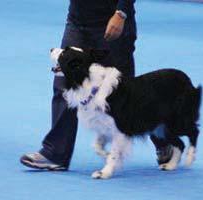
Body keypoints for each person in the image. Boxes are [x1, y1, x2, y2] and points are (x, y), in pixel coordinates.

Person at [20, 0, 173, 171]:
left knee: (127, 95)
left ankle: (164, 139)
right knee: (64, 84)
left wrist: (121, 13)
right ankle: (55, 153)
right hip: (78, 21)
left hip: (113, 19)